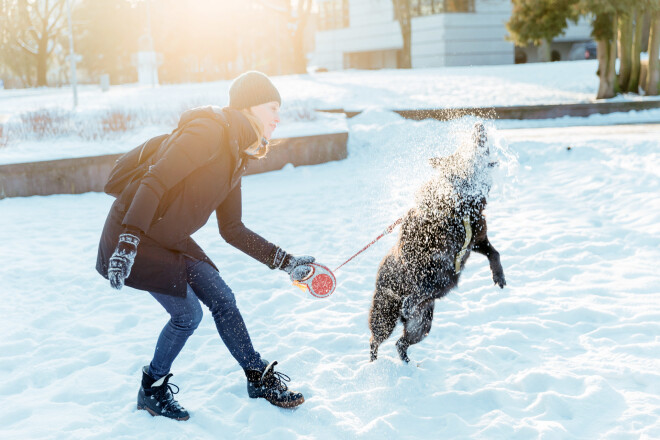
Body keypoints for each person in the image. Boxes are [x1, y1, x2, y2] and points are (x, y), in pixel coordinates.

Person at [96, 71, 321, 420]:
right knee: (188, 315)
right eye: (272, 107)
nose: (278, 117)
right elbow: (155, 180)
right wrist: (127, 243)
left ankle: (256, 376)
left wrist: (286, 262)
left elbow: (232, 229)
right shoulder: (208, 132)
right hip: (135, 234)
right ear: (250, 106)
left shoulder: (236, 154)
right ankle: (151, 390)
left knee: (223, 298)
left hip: (169, 236)